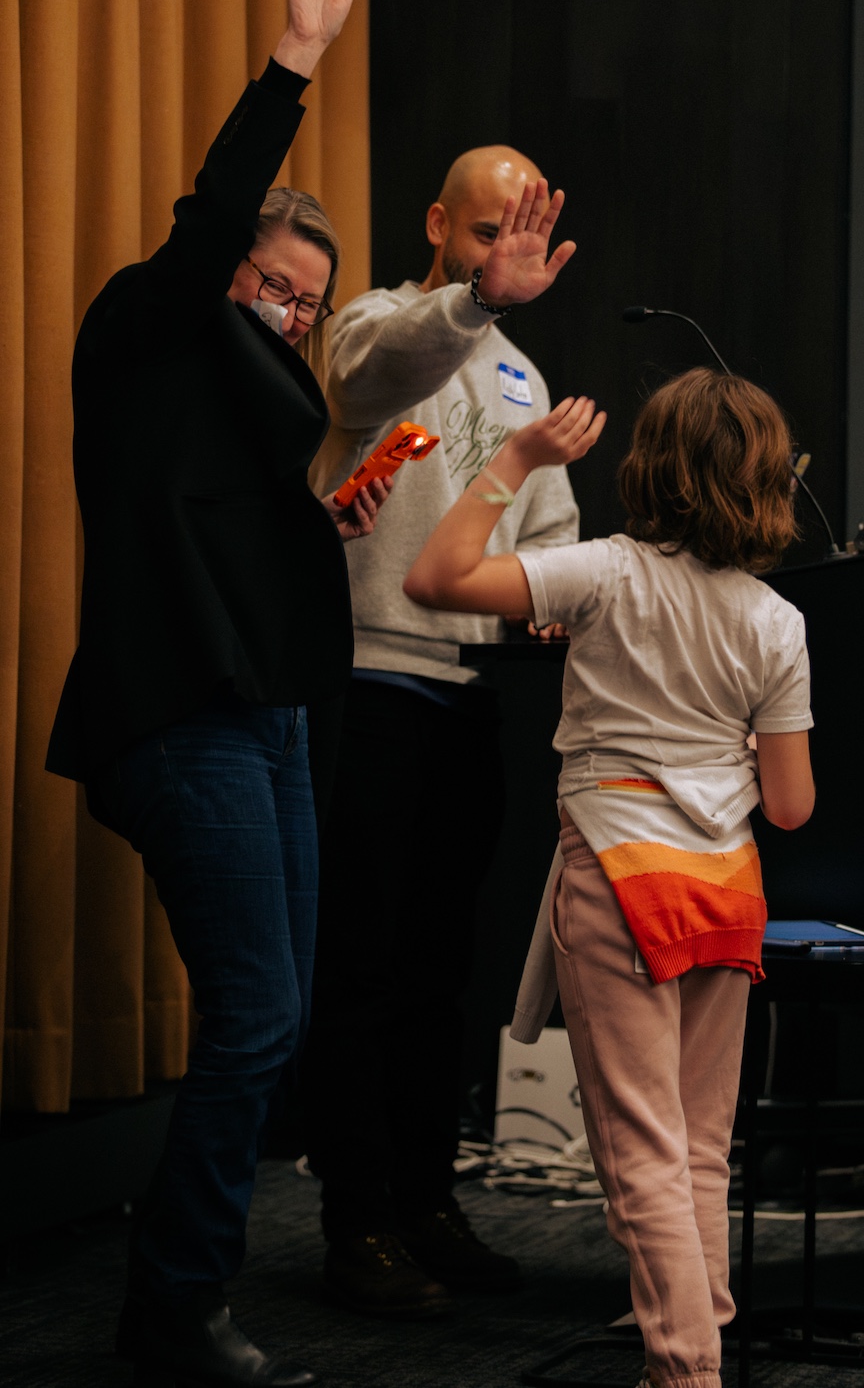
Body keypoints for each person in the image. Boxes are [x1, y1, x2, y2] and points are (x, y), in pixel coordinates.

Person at [46, 0, 382, 1388]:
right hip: (179, 714)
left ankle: (184, 1299)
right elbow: (204, 237)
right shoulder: (148, 330)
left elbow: (266, 564)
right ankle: (172, 1313)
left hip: (273, 719)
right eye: (273, 288)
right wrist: (293, 61)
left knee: (278, 1016)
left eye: (306, 305)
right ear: (224, 273)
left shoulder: (262, 421)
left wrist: (339, 512)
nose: (289, 316)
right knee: (252, 1012)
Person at [404, 368, 816, 1388]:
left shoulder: (602, 571)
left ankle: (685, 1372)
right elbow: (794, 803)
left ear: (653, 467)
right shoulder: (777, 619)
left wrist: (518, 457)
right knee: (699, 1146)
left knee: (638, 1151)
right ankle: (697, 1349)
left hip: (620, 873)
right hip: (725, 885)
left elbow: (435, 579)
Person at [302, 159, 579, 1313]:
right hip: (371, 683)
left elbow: (549, 527)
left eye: (512, 239)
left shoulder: (521, 370)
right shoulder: (375, 323)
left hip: (471, 697)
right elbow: (381, 370)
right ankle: (355, 1219)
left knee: (438, 971)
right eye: (478, 233)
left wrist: (558, 593)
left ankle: (427, 1200)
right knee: (361, 966)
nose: (493, 254)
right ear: (434, 224)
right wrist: (478, 296)